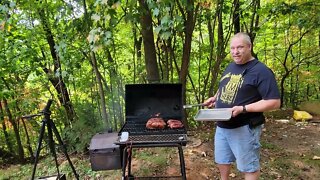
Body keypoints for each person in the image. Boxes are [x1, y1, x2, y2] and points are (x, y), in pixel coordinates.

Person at [203, 32, 281, 180]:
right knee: (222, 161)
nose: (235, 52)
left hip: (244, 127)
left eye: (240, 47)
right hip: (222, 126)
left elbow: (274, 102)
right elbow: (224, 86)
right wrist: (215, 98)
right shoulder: (231, 66)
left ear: (249, 47)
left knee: (249, 167)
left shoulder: (261, 71)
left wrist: (243, 109)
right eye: (232, 48)